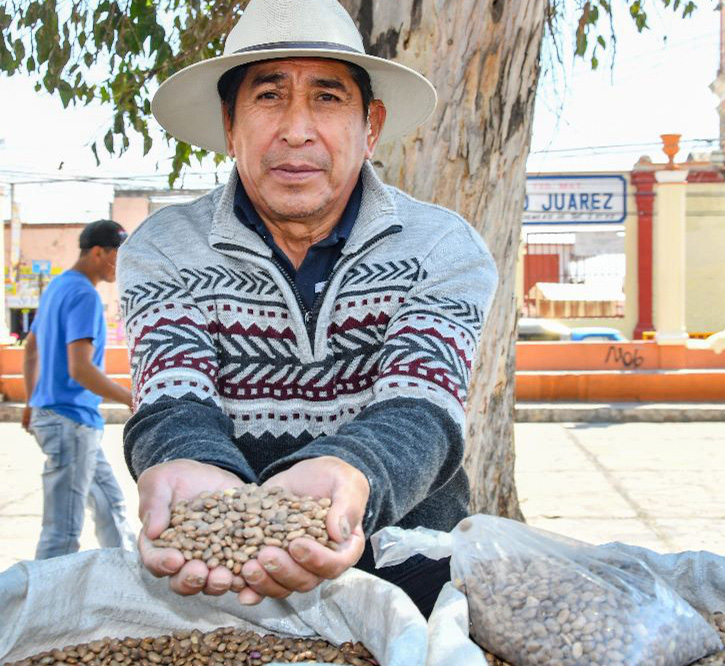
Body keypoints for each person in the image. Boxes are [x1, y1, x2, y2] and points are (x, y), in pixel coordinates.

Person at [119, 0, 497, 616]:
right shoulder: (163, 249)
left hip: (413, 575)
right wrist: (188, 466)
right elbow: (171, 394)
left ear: (370, 125)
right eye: (269, 96)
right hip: (226, 579)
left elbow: (422, 406)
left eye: (326, 97)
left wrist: (348, 475)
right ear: (229, 123)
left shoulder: (442, 247)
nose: (296, 129)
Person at [22, 220, 136, 559]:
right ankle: (45, 607)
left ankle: (129, 580)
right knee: (62, 530)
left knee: (111, 506)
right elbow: (81, 369)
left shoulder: (58, 287)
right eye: (118, 255)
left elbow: (31, 349)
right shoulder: (84, 294)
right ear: (98, 252)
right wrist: (133, 399)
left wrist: (31, 401)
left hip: (69, 420)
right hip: (69, 420)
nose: (122, 264)